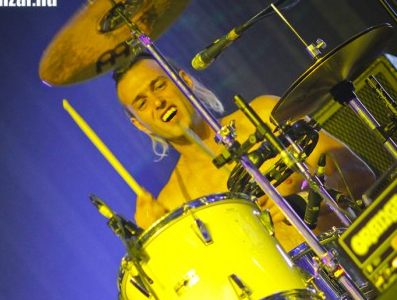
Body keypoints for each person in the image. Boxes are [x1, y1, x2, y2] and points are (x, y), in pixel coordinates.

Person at [114, 53, 376, 251]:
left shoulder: (263, 113)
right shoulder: (173, 203)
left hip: (357, 258)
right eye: (142, 103)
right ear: (139, 124)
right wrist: (159, 242)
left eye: (159, 86)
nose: (158, 102)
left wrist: (312, 201)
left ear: (184, 80)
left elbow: (359, 174)